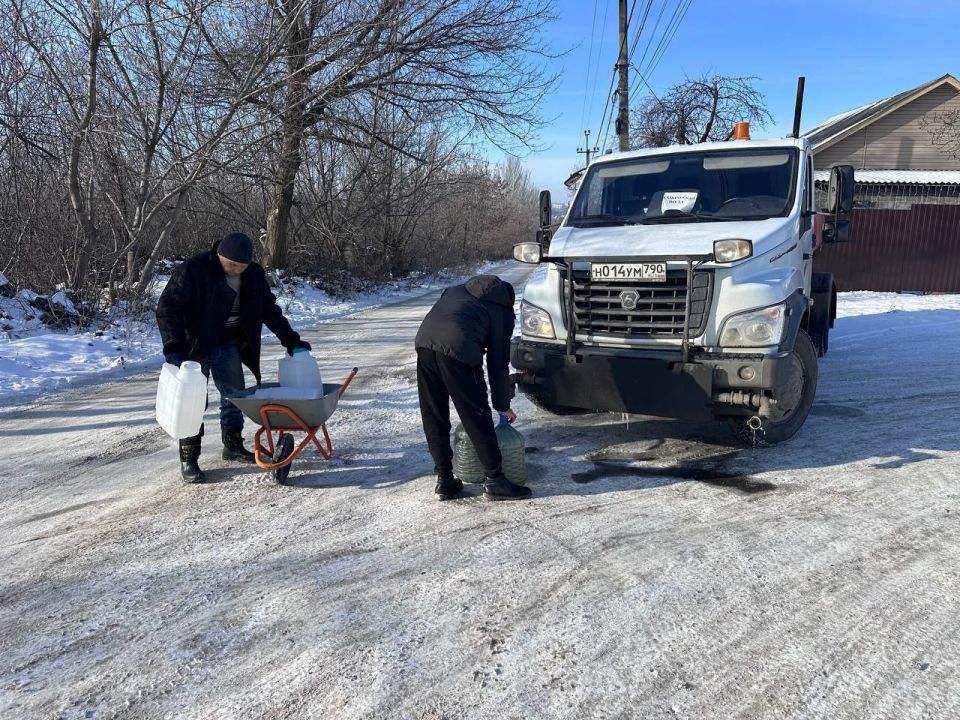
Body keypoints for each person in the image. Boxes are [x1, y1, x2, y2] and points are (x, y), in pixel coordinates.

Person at [157, 232, 311, 482]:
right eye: (231, 265)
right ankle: (189, 458)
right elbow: (167, 308)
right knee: (192, 402)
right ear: (220, 255)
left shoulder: (254, 274)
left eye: (242, 266)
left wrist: (290, 339)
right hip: (193, 345)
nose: (237, 270)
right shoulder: (194, 269)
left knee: (235, 395)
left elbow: (269, 310)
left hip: (227, 342)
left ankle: (233, 445)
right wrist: (174, 347)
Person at [415, 274, 531, 502]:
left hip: (424, 344)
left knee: (434, 414)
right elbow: (498, 363)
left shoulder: (455, 290)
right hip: (459, 348)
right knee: (476, 414)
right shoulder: (501, 310)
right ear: (507, 298)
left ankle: (445, 480)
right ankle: (495, 480)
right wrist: (502, 405)